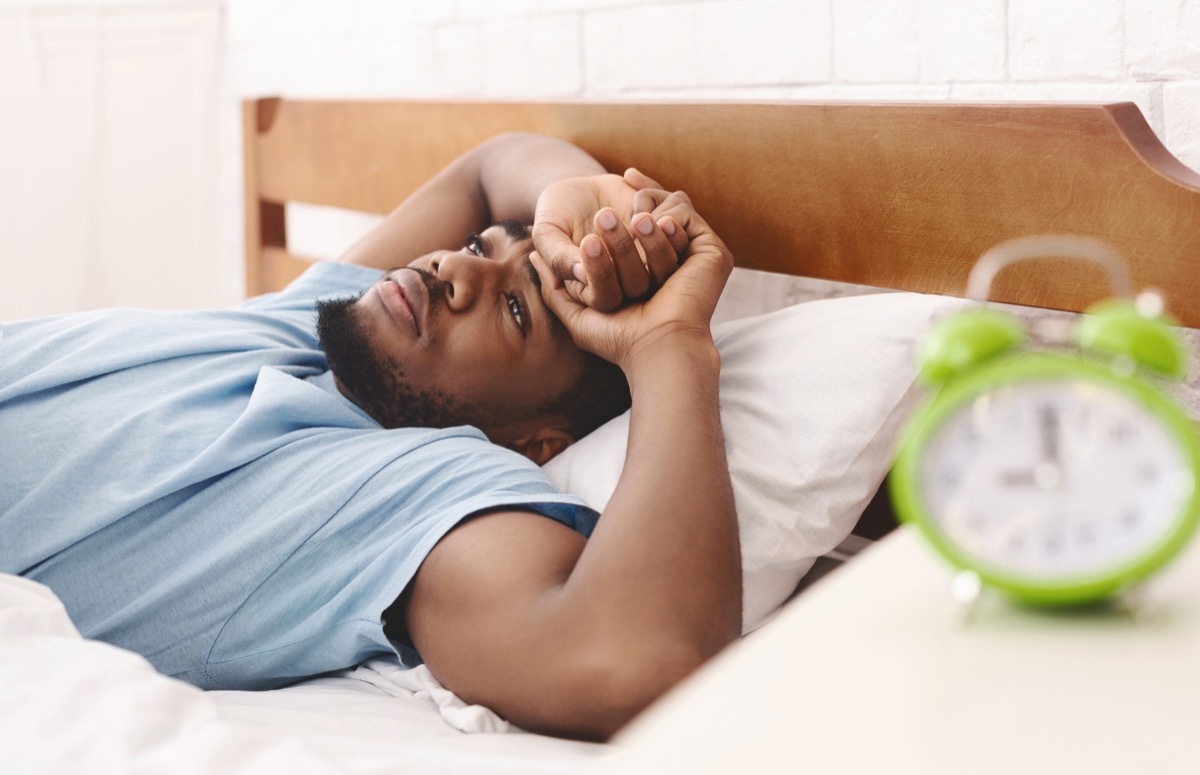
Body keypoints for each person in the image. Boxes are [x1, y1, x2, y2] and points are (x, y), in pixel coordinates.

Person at [0, 132, 739, 741]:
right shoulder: (314, 329)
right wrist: (584, 194)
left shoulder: (413, 491)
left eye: (516, 311)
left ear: (537, 442)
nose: (456, 268)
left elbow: (633, 655)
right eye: (482, 247)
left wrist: (670, 345)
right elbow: (488, 170)